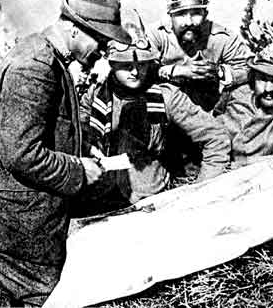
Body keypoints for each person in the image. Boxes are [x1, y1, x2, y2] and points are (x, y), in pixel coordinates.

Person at [0, 0, 131, 306]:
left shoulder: (48, 57)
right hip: (4, 221)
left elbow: (42, 131)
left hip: (10, 209)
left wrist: (79, 149)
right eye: (100, 42)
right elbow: (21, 153)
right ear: (75, 29)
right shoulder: (34, 67)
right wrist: (77, 170)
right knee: (51, 297)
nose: (102, 52)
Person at [75, 21, 230, 214]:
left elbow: (216, 138)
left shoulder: (165, 96)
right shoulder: (96, 94)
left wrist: (201, 190)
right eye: (126, 65)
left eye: (141, 64)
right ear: (112, 64)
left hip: (149, 201)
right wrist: (88, 146)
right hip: (99, 197)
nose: (134, 72)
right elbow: (78, 130)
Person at [148, 0, 253, 112]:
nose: (188, 22)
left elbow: (250, 69)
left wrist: (220, 73)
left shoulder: (221, 37)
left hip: (210, 108)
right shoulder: (158, 34)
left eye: (196, 14)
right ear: (170, 16)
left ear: (205, 15)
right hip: (168, 108)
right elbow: (141, 70)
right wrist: (176, 71)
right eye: (180, 15)